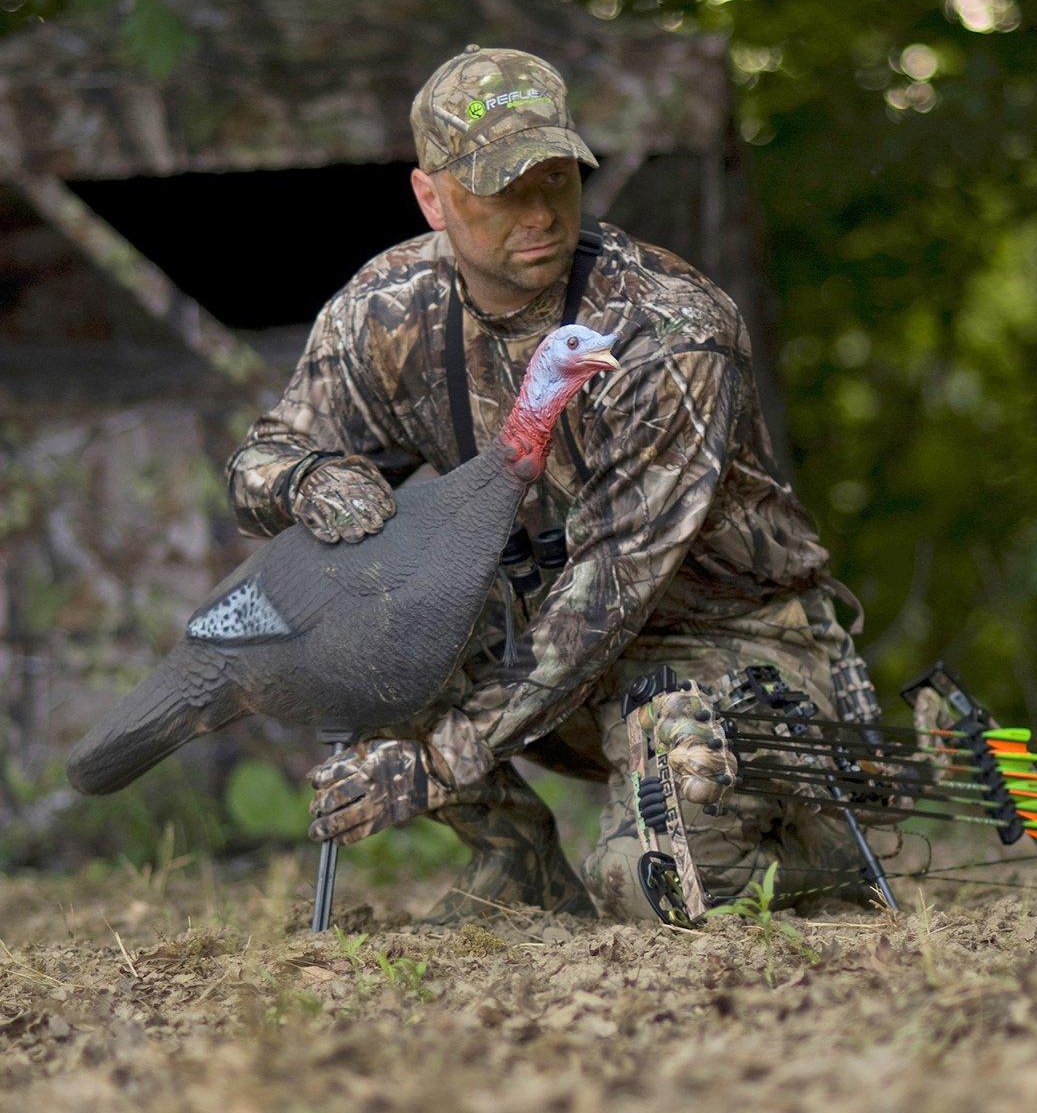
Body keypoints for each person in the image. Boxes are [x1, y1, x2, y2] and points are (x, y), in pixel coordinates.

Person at [226, 44, 885, 921]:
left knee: (649, 896)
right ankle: (516, 870)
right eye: (504, 188)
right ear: (432, 197)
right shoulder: (384, 310)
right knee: (306, 613)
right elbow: (259, 463)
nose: (539, 214)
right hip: (547, 651)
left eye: (559, 180)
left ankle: (815, 842)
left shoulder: (668, 326)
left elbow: (607, 596)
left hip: (726, 647)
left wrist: (433, 763)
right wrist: (306, 482)